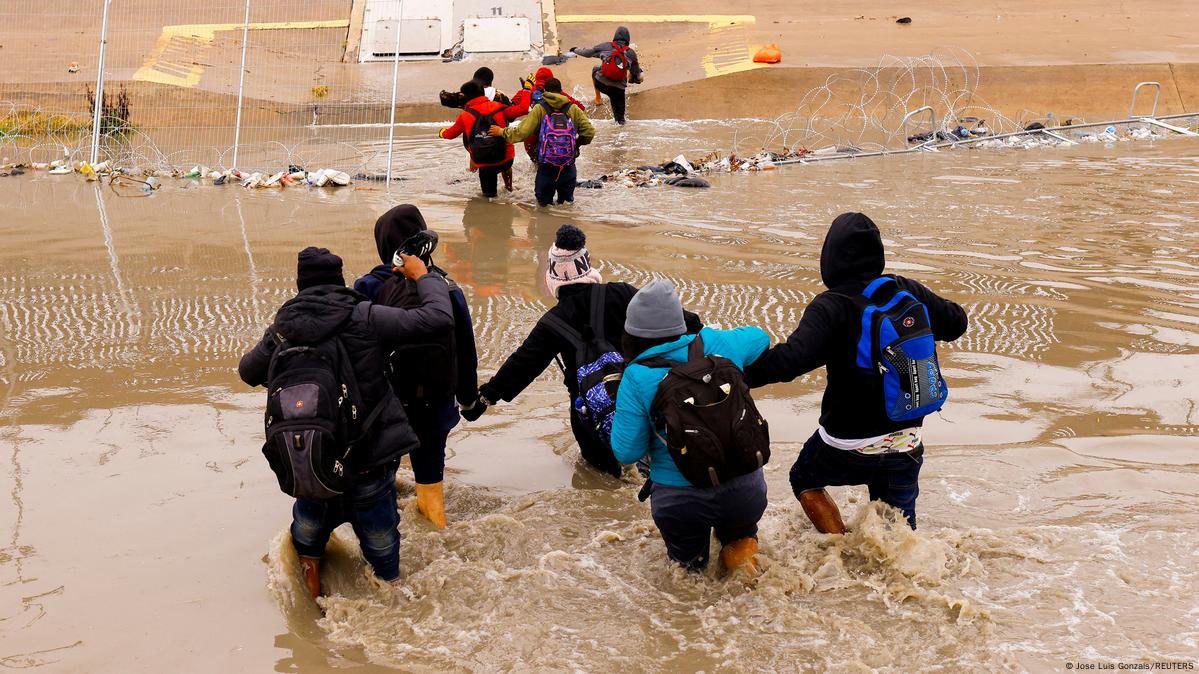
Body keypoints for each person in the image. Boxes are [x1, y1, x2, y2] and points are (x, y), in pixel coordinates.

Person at [238, 246, 453, 597]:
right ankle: (391, 595)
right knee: (382, 547)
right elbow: (437, 319)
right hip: (369, 461)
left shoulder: (282, 329)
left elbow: (248, 372)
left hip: (312, 460)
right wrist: (423, 277)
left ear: (300, 284)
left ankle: (311, 583)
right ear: (339, 280)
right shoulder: (364, 316)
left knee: (308, 530)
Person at [745, 213, 969, 533]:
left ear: (830, 256)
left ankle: (838, 547)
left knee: (803, 479)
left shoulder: (831, 305)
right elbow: (957, 322)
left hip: (847, 442)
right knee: (898, 533)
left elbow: (790, 361)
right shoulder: (905, 290)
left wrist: (735, 374)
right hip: (905, 440)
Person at [460, 224, 701, 476]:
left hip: (589, 419)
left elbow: (522, 365)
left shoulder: (551, 323)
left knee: (605, 483)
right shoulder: (622, 294)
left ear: (552, 275)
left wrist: (483, 400)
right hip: (642, 403)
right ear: (586, 265)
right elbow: (680, 322)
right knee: (658, 470)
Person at [611, 280, 771, 573]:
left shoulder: (635, 376)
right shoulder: (715, 344)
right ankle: (743, 562)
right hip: (745, 490)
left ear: (630, 333)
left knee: (689, 574)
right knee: (739, 539)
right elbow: (761, 338)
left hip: (681, 501)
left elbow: (626, 451)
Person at [353, 205, 479, 528]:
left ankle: (387, 547)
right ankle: (437, 531)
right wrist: (467, 399)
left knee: (382, 485)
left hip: (387, 408)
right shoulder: (446, 288)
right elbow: (465, 349)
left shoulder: (368, 286)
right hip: (435, 407)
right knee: (430, 488)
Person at [489, 78, 595, 207]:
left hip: (546, 167)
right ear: (561, 91)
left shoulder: (539, 109)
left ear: (545, 91)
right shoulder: (573, 109)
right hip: (568, 167)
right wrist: (576, 145)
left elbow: (521, 133)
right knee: (566, 206)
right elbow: (589, 132)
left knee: (543, 207)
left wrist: (501, 132)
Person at [438, 80, 515, 198]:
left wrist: (442, 133)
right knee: (505, 164)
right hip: (505, 158)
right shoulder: (499, 105)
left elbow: (451, 134)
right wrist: (526, 90)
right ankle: (509, 188)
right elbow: (521, 110)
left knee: (489, 198)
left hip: (485, 163)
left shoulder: (465, 115)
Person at [507, 67, 587, 162]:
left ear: (536, 79)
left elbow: (510, 106)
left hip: (532, 135)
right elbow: (581, 108)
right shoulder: (559, 93)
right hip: (555, 132)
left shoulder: (527, 91)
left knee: (536, 162)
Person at [570, 26, 643, 125]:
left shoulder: (605, 46)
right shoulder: (631, 53)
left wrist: (575, 49)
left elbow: (587, 53)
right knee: (620, 120)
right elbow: (636, 76)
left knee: (595, 69)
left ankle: (598, 98)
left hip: (602, 84)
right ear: (628, 39)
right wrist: (635, 79)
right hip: (618, 89)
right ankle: (620, 135)